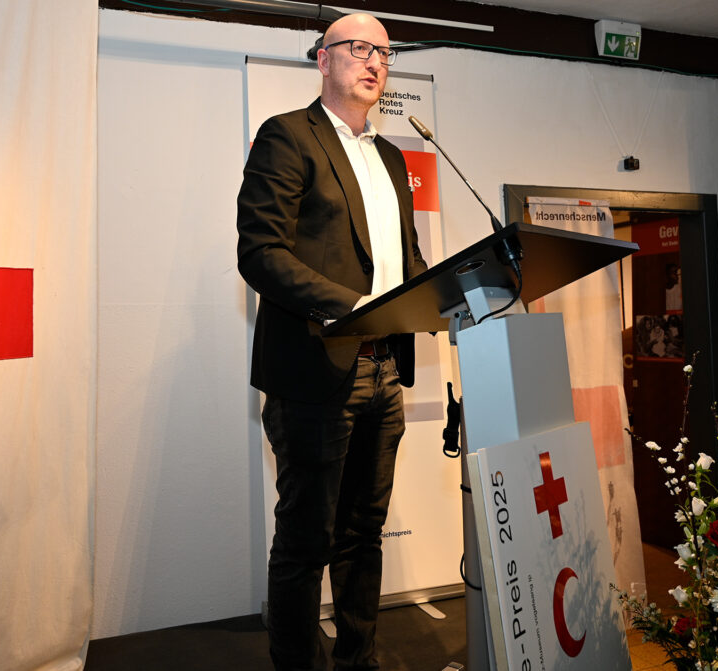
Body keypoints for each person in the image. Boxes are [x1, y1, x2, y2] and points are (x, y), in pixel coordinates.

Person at [236, 13, 427, 671]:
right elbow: (260, 252)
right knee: (304, 543)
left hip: (384, 373)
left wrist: (450, 294)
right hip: (317, 372)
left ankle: (358, 660)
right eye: (358, 48)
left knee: (362, 536)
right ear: (323, 60)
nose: (374, 61)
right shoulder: (288, 137)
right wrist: (351, 307)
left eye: (384, 52)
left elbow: (404, 260)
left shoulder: (394, 157)